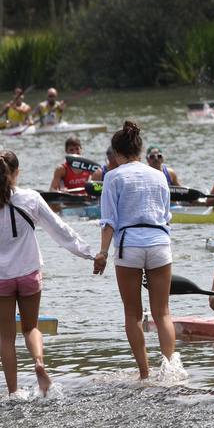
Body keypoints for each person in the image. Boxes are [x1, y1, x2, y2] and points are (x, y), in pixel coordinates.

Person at [0, 152, 95, 397]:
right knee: (31, 327)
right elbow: (59, 229)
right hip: (28, 274)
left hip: (0, 278)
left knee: (6, 337)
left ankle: (13, 392)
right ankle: (39, 364)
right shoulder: (31, 198)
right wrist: (89, 254)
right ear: (17, 173)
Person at [93, 121, 177, 381]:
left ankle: (144, 373)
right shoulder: (158, 174)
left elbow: (109, 221)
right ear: (140, 150)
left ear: (116, 153)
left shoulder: (113, 176)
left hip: (129, 244)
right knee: (162, 312)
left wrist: (103, 254)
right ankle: (170, 369)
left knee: (133, 314)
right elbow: (166, 215)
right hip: (159, 243)